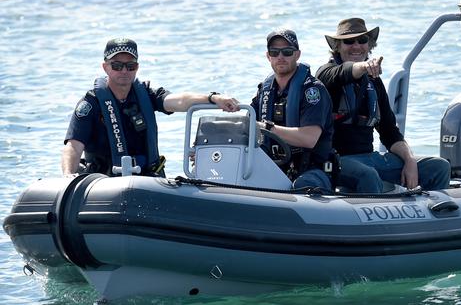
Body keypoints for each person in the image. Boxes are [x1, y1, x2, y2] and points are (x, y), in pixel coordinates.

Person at [62, 37, 240, 177]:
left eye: (130, 66)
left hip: (147, 179)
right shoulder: (91, 104)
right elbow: (73, 146)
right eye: (117, 65)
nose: (124, 71)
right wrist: (68, 176)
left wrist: (213, 97)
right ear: (105, 67)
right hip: (103, 183)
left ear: (137, 67)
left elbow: (179, 101)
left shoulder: (145, 94)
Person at [315, 18, 450, 193]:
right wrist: (365, 65)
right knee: (367, 175)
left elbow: (389, 132)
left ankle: (433, 214)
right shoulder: (326, 75)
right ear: (337, 47)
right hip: (334, 162)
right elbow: (344, 72)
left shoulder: (374, 83)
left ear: (369, 45)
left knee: (438, 167)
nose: (356, 46)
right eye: (348, 41)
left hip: (370, 158)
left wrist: (409, 160)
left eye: (362, 40)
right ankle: (374, 218)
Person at [251, 29, 334, 192]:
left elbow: (309, 139)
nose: (280, 57)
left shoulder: (313, 91)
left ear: (297, 55)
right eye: (274, 52)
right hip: (276, 167)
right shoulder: (265, 92)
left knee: (302, 185)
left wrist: (267, 128)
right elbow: (246, 123)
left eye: (287, 52)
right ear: (268, 56)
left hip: (313, 170)